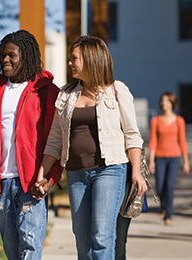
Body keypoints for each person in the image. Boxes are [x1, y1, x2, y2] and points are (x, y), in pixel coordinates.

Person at [33, 35, 147, 260]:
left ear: (90, 59)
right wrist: (42, 173)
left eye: (74, 59)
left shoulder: (116, 90)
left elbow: (132, 135)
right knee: (82, 242)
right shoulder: (66, 95)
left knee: (102, 238)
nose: (70, 63)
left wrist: (135, 172)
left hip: (110, 170)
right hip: (76, 174)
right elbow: (55, 140)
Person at [0, 30, 63, 260]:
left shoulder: (47, 91)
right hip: (3, 183)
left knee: (29, 247)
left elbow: (56, 139)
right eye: (2, 56)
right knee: (11, 249)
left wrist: (50, 178)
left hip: (32, 184)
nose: (5, 60)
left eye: (11, 56)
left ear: (26, 57)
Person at [149, 92, 190, 226]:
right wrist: (151, 161)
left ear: (172, 103)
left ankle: (169, 215)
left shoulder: (179, 121)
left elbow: (182, 141)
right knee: (160, 187)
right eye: (162, 100)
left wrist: (186, 162)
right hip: (160, 158)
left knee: (169, 186)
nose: (163, 103)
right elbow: (153, 141)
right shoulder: (155, 120)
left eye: (166, 101)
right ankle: (163, 207)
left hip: (174, 157)